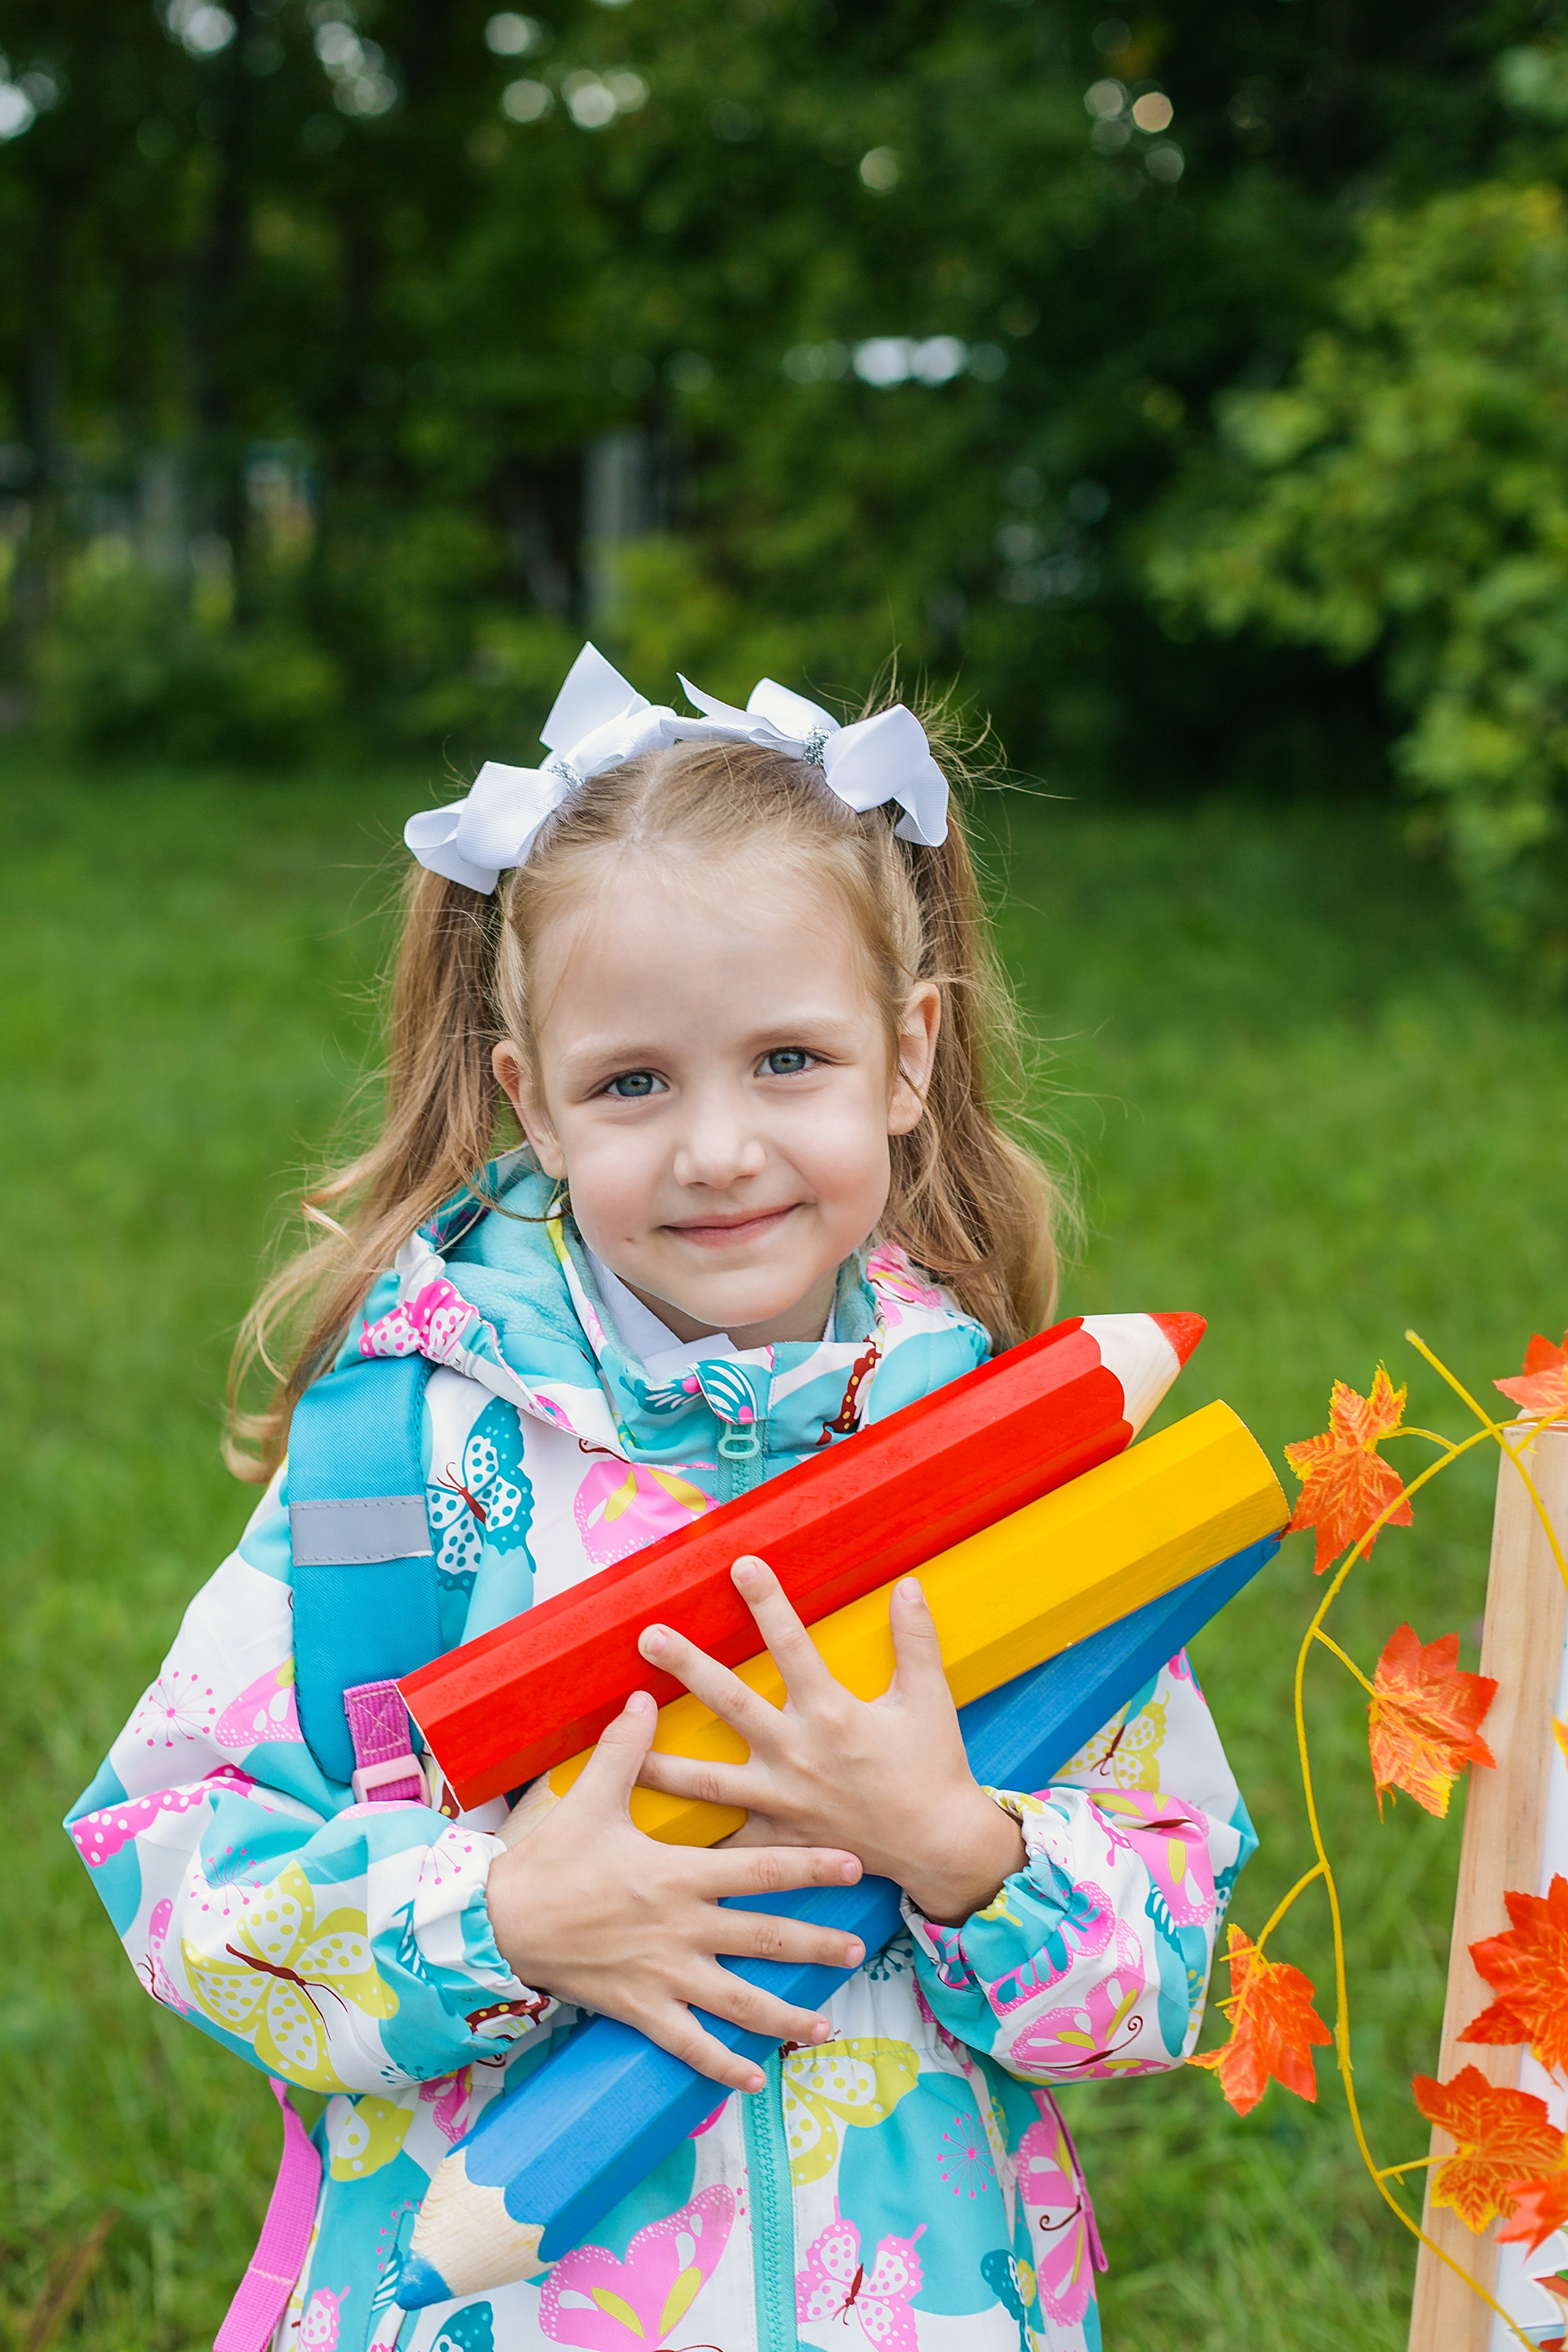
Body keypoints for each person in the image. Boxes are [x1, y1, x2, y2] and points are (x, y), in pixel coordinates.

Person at [69, 646, 1254, 2352]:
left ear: (908, 1055)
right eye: (634, 1082)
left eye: (789, 1060)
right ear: (531, 1101)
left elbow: (1165, 1966)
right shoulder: (407, 1468)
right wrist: (493, 1920)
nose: (716, 1149)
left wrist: (961, 1851)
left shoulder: (1019, 1479)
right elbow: (175, 1853)